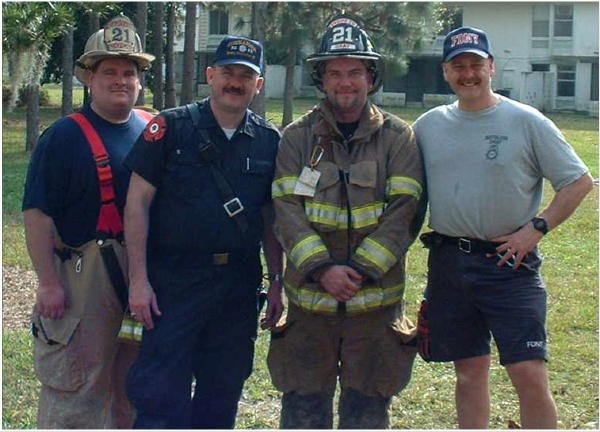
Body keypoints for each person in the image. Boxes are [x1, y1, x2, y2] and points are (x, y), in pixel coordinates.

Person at [413, 26, 594, 429]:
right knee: (469, 371)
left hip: (509, 265)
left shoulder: (526, 121)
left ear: (492, 67)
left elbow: (578, 181)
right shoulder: (428, 126)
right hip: (450, 263)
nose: (468, 74)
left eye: (476, 64)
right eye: (458, 66)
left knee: (529, 373)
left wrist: (537, 228)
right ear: (446, 72)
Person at [268, 14, 424, 429]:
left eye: (355, 71)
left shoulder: (398, 138)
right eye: (335, 72)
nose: (345, 82)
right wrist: (322, 269)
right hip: (309, 310)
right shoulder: (297, 138)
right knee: (302, 408)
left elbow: (405, 214)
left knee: (368, 411)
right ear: (321, 78)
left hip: (374, 311)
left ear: (371, 77)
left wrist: (357, 271)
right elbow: (286, 211)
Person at [123, 35, 284, 429]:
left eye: (246, 76)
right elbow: (136, 204)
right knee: (161, 393)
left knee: (222, 391)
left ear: (258, 85)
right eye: (228, 72)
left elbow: (271, 219)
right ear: (210, 76)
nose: (236, 82)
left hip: (237, 285)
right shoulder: (171, 127)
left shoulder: (269, 141)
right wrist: (138, 280)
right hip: (174, 282)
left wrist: (278, 280)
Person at [22, 15, 155, 429]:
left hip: (141, 273)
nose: (120, 80)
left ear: (139, 80)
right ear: (88, 78)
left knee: (132, 387)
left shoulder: (152, 129)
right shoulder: (62, 137)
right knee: (77, 385)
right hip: (82, 278)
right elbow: (37, 214)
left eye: (129, 72)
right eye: (109, 71)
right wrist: (48, 281)